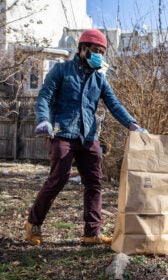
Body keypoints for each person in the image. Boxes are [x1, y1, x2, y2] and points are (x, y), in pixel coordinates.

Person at [25, 29, 146, 245]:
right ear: (83, 49)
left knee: (94, 183)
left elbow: (114, 104)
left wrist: (132, 124)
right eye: (95, 50)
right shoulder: (61, 70)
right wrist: (44, 119)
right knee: (58, 179)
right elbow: (44, 96)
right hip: (62, 132)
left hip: (88, 136)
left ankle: (92, 234)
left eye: (102, 51)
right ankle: (33, 223)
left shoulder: (99, 79)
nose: (99, 55)